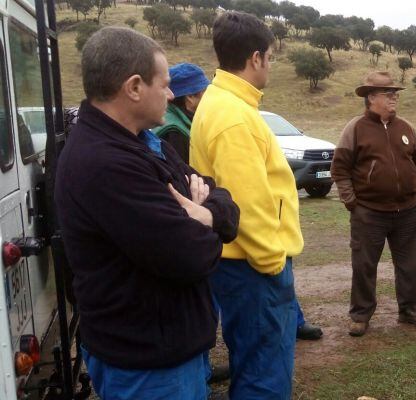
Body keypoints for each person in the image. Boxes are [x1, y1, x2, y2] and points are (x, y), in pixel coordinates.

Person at [55, 27, 239, 399]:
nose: (171, 95)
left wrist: (206, 214)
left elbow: (220, 196)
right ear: (134, 87)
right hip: (148, 367)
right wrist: (209, 219)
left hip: (164, 351)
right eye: (166, 84)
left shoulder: (141, 141)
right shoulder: (107, 163)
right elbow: (191, 255)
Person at [155, 62, 323, 342]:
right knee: (258, 343)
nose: (206, 95)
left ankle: (294, 320)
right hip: (235, 243)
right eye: (200, 92)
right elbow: (244, 195)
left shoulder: (197, 119)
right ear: (190, 98)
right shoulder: (188, 128)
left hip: (224, 231)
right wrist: (273, 262)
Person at [189, 12, 301, 398]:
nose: (271, 64)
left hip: (242, 262)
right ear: (256, 58)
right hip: (254, 266)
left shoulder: (226, 103)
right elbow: (247, 204)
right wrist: (272, 263)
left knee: (253, 360)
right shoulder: (234, 116)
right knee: (264, 372)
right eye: (270, 56)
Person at [331, 71, 416, 337]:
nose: (393, 98)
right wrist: (351, 202)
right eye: (388, 94)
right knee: (364, 264)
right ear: (371, 98)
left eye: (395, 94)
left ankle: (409, 309)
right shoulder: (355, 128)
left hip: (408, 212)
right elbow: (340, 169)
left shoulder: (407, 128)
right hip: (369, 213)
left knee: (410, 263)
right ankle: (361, 314)